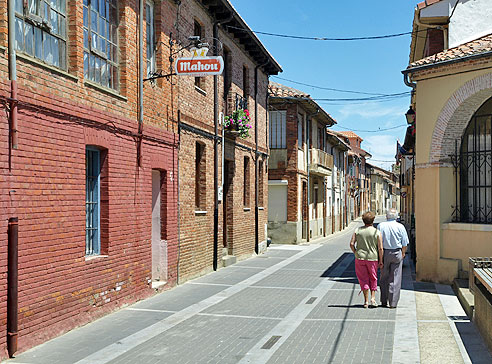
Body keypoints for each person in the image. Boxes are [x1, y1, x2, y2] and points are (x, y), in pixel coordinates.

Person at [349, 211, 383, 308]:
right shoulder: (377, 232)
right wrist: (381, 260)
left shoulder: (357, 230)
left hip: (360, 258)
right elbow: (380, 248)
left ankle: (366, 301)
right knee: (373, 277)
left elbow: (351, 244)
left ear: (363, 221)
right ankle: (373, 298)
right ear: (373, 220)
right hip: (373, 258)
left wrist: (355, 252)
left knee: (363, 278)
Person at [377, 208, 409, 308]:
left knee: (383, 277)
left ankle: (383, 300)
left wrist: (379, 257)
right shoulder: (400, 227)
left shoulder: (380, 226)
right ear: (396, 217)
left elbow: (377, 242)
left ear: (387, 216)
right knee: (395, 278)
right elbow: (405, 243)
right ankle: (393, 303)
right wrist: (403, 253)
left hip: (384, 253)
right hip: (396, 252)